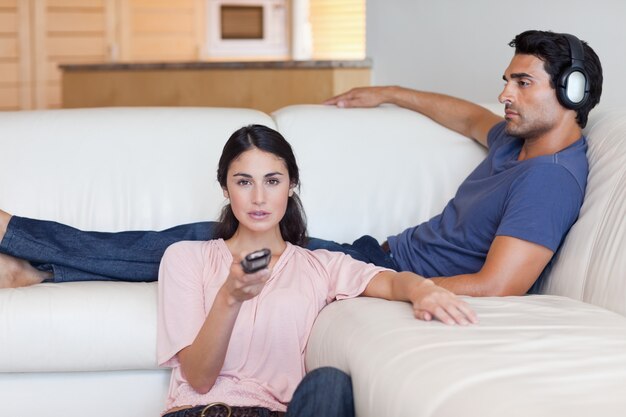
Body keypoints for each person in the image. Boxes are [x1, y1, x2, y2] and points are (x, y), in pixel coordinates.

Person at [0, 30, 603, 297]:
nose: (504, 96)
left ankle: (17, 235)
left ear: (570, 93)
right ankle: (44, 273)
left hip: (371, 271)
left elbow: (499, 285)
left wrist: (382, 289)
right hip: (374, 253)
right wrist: (387, 91)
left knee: (200, 244)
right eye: (506, 82)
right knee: (204, 252)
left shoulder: (549, 180)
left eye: (522, 84)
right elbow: (465, 116)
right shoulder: (515, 141)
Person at [156, 124, 476, 417]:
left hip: (280, 411)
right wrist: (229, 297)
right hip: (203, 411)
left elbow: (391, 283)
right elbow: (198, 378)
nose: (258, 198)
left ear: (291, 184)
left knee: (331, 383)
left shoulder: (321, 265)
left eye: (272, 181)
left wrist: (424, 290)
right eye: (243, 182)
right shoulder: (185, 258)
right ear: (225, 187)